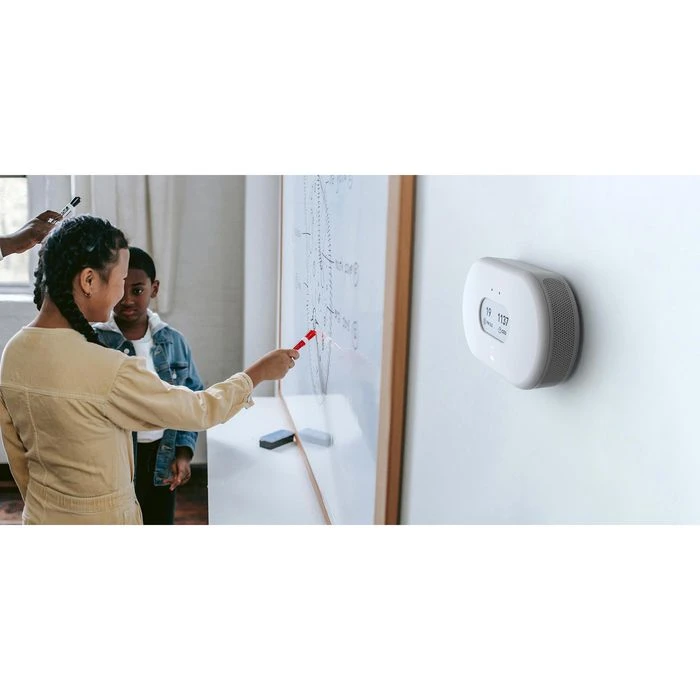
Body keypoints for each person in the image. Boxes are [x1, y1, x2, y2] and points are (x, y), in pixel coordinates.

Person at [0, 215, 298, 524]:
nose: (122, 294)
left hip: (39, 516)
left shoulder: (14, 352)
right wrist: (257, 374)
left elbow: (19, 459)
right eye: (121, 280)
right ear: (89, 281)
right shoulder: (108, 368)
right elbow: (199, 410)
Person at [93, 246, 202, 525]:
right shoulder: (95, 341)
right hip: (113, 460)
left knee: (158, 522)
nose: (127, 299)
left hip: (162, 456)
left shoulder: (174, 342)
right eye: (120, 290)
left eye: (138, 290)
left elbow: (191, 398)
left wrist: (183, 453)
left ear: (154, 289)